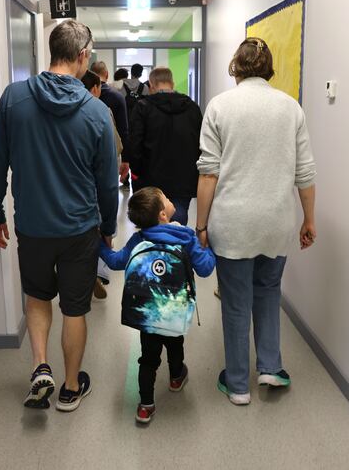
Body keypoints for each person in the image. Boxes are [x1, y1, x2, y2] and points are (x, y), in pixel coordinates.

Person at [0, 20, 118, 412]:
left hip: (33, 226)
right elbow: (107, 183)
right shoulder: (97, 112)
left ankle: (41, 367)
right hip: (80, 229)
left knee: (38, 297)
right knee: (75, 309)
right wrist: (108, 228)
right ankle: (71, 387)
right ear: (81, 57)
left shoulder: (13, 98)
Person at [195, 37, 317, 406]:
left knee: (235, 302)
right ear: (268, 69)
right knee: (268, 293)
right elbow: (305, 172)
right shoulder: (289, 107)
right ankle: (270, 366)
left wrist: (201, 225)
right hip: (277, 222)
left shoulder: (220, 106)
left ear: (235, 67)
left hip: (233, 223)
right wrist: (309, 219)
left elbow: (208, 174)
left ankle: (237, 384)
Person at [99, 186, 215, 424]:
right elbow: (205, 269)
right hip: (175, 311)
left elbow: (115, 262)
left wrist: (98, 243)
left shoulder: (138, 239)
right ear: (164, 214)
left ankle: (145, 406)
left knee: (148, 359)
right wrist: (210, 247)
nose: (171, 200)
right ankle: (176, 377)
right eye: (168, 198)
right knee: (175, 344)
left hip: (146, 315)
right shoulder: (185, 237)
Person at [128, 67, 202, 225]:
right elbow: (200, 145)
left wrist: (137, 174)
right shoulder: (192, 108)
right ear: (172, 83)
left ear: (152, 85)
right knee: (178, 221)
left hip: (151, 180)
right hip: (184, 179)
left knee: (152, 225)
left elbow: (135, 146)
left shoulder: (142, 107)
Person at [80, 69, 123, 300]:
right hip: (99, 181)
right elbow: (114, 148)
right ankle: (99, 270)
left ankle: (87, 273)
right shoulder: (102, 111)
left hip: (77, 188)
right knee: (99, 226)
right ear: (95, 88)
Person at [89, 61, 130, 184]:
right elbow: (123, 130)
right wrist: (126, 159)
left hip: (89, 150)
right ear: (106, 74)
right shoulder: (117, 97)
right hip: (112, 151)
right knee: (108, 188)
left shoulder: (84, 94)